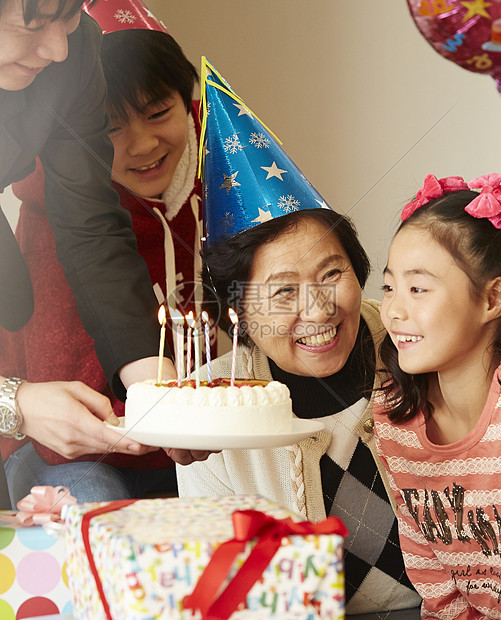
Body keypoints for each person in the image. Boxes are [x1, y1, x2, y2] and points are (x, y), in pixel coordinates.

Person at [176, 59, 422, 615]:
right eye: (283, 293)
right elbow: (227, 586)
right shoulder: (206, 406)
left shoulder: (419, 336)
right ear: (236, 307)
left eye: (333, 274)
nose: (318, 310)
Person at [0, 0, 214, 504]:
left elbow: (90, 229)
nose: (56, 48)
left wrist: (153, 385)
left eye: (70, 17)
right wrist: (18, 403)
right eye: (30, 23)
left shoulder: (72, 59)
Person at [372, 174, 501, 619]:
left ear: (492, 298)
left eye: (418, 288)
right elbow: (429, 571)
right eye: (389, 287)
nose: (394, 309)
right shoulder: (394, 419)